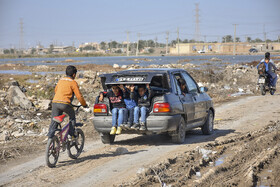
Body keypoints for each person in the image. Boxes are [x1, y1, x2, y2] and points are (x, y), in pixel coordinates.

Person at [47, 65, 88, 138]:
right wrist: (84, 104)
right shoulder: (73, 82)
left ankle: (50, 136)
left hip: (55, 102)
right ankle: (71, 135)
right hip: (65, 104)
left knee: (54, 119)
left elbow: (56, 90)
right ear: (74, 74)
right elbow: (79, 96)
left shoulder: (60, 80)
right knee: (72, 117)